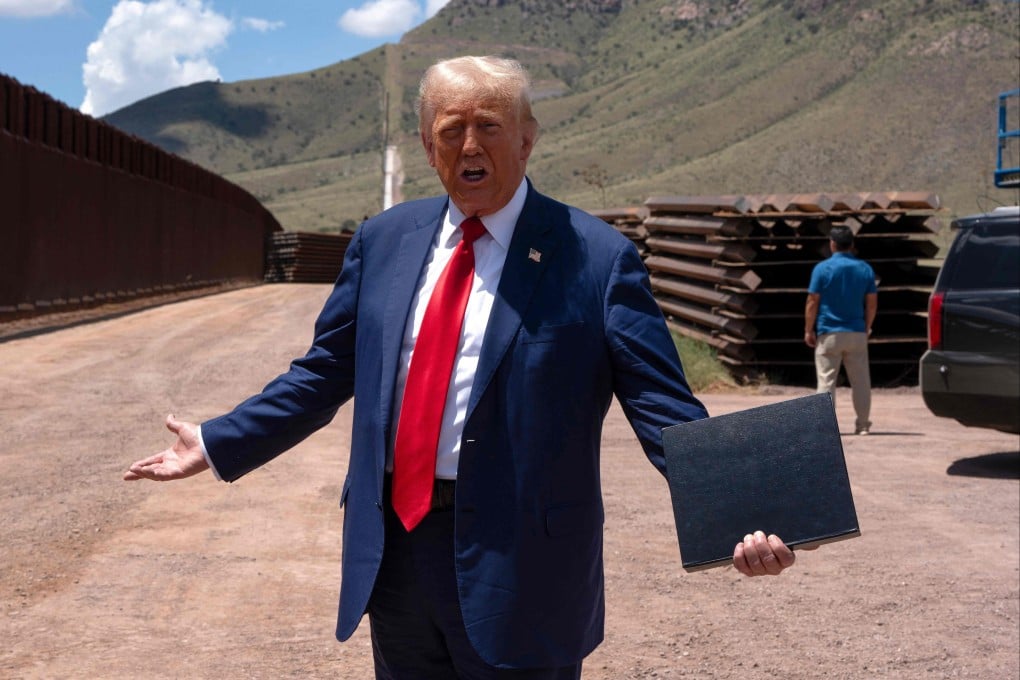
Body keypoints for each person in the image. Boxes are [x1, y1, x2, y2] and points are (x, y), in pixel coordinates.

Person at [126, 55, 801, 679]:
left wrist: (746, 514)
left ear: (527, 140)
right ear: (428, 146)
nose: (470, 145)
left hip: (525, 566)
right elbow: (324, 372)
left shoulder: (595, 259)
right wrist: (216, 441)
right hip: (397, 553)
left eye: (489, 127)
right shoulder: (383, 241)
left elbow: (663, 408)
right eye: (452, 130)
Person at [804, 224, 878, 435]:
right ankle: (863, 425)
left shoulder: (822, 269)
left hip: (829, 332)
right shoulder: (865, 268)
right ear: (852, 244)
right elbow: (872, 303)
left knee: (826, 382)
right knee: (861, 381)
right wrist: (866, 326)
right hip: (856, 331)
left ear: (832, 244)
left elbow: (812, 301)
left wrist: (809, 329)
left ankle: (826, 428)